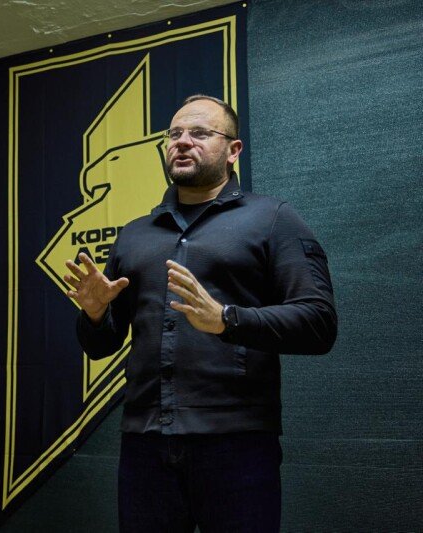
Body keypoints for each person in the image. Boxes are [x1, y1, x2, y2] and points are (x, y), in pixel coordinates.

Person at [64, 95, 337, 532]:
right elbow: (101, 346)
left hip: (237, 444)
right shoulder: (134, 235)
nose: (183, 141)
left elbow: (319, 323)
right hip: (145, 445)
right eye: (174, 134)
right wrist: (95, 315)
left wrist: (227, 318)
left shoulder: (272, 219)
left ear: (233, 150)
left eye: (199, 133)